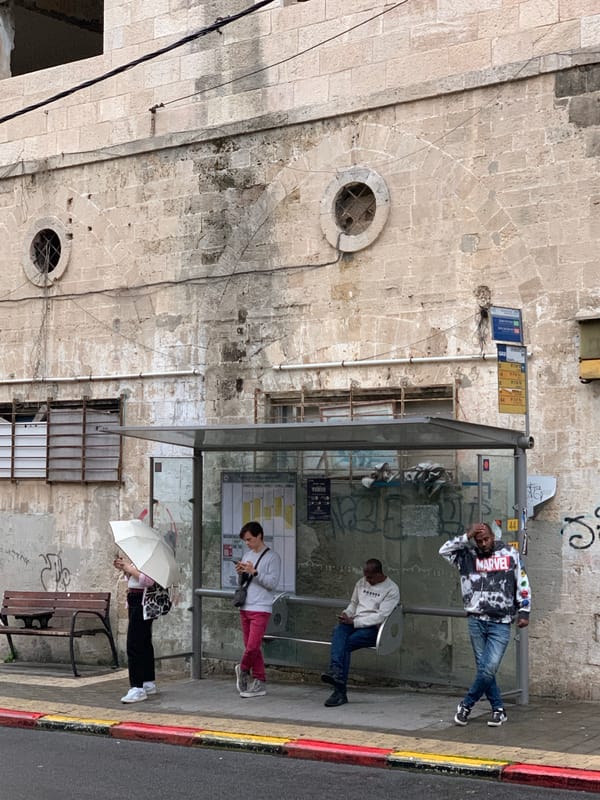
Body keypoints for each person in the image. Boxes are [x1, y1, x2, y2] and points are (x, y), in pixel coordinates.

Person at [439, 522, 531, 727]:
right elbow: (444, 550)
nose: (483, 544)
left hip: (501, 621)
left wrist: (524, 611)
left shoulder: (509, 553)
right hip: (476, 620)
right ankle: (498, 709)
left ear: (493, 537)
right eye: (479, 540)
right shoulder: (467, 556)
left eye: (486, 539)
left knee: (488, 668)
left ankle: (466, 704)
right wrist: (467, 535)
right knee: (485, 669)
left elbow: (523, 582)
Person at [321, 558, 400, 708]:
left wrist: (354, 622)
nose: (367, 580)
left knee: (344, 644)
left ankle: (339, 689)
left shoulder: (391, 589)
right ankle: (336, 673)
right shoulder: (361, 582)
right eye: (365, 576)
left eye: (370, 577)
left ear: (379, 574)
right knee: (338, 630)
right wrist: (346, 614)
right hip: (354, 621)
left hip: (374, 629)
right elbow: (354, 604)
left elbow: (381, 616)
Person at [234, 521, 281, 699]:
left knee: (253, 646)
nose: (248, 543)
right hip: (246, 605)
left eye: (250, 539)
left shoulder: (272, 557)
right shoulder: (247, 555)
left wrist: (255, 572)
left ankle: (243, 668)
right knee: (251, 647)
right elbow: (242, 583)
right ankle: (259, 680)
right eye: (245, 540)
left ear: (259, 536)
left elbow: (272, 583)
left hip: (261, 606)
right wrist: (241, 572)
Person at [113, 554, 157, 703]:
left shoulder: (150, 557)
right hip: (135, 600)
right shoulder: (139, 557)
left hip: (142, 603)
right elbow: (134, 581)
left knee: (134, 644)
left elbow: (148, 581)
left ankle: (137, 687)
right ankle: (147, 681)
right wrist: (125, 569)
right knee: (144, 642)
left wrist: (130, 569)